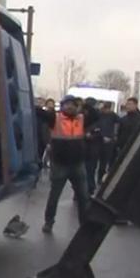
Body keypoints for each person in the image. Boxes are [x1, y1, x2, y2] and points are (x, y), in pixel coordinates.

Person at [38, 95, 98, 233]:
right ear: (62, 106)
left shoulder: (82, 119)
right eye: (67, 104)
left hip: (77, 163)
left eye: (73, 104)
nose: (70, 107)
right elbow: (40, 113)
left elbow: (95, 115)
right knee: (54, 196)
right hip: (60, 164)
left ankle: (84, 223)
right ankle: (49, 222)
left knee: (84, 197)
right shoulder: (55, 118)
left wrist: (84, 104)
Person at [95, 101, 119, 183]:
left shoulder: (113, 116)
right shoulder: (99, 115)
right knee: (96, 163)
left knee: (104, 163)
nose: (105, 110)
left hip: (108, 141)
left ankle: (100, 179)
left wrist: (114, 136)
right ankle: (97, 179)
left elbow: (117, 125)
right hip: (98, 140)